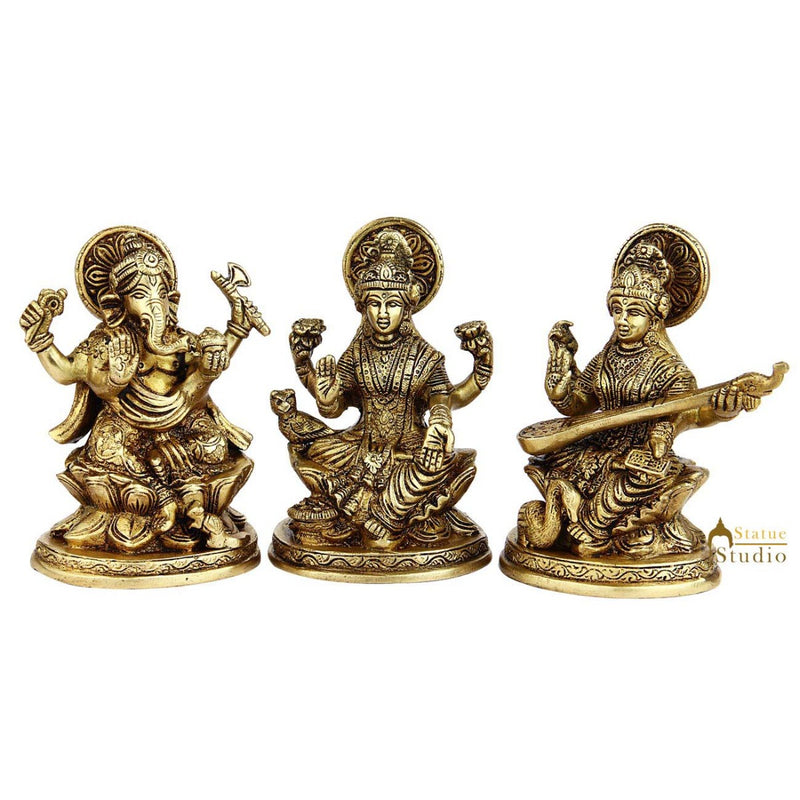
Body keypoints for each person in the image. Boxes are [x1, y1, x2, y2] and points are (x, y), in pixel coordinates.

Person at [522, 241, 754, 557]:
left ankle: (591, 525)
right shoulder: (606, 358)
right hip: (598, 447)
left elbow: (690, 414)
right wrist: (561, 376)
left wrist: (724, 410)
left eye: (633, 312)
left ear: (654, 317)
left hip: (642, 455)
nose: (622, 320)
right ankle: (582, 514)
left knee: (650, 478)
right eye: (617, 310)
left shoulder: (669, 368)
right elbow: (579, 405)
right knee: (552, 457)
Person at [277, 228, 490, 549]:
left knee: (445, 463)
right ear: (364, 307)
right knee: (308, 452)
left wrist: (441, 424)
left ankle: (384, 516)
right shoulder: (356, 353)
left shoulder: (424, 355)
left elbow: (444, 399)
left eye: (392, 304)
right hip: (359, 445)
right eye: (374, 304)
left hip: (409, 448)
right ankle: (397, 512)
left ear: (407, 306)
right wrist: (321, 390)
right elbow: (335, 407)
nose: (383, 313)